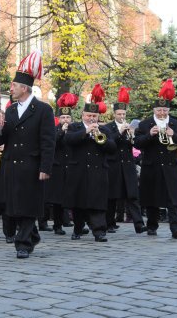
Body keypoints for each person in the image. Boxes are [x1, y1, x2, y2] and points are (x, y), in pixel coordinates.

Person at [0, 50, 55, 258]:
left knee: (28, 206)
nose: (11, 88)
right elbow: (0, 141)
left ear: (25, 88)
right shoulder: (9, 111)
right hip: (12, 166)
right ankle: (31, 235)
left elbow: (48, 142)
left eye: (14, 85)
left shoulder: (43, 110)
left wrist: (45, 168)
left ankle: (23, 244)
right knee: (15, 207)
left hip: (31, 165)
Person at [133, 79, 177, 239]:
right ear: (154, 110)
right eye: (159, 110)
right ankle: (152, 225)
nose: (162, 113)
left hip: (171, 166)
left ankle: (176, 228)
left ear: (168, 110)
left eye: (165, 110)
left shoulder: (175, 124)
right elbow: (137, 143)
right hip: (151, 166)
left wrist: (174, 135)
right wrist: (149, 135)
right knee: (152, 197)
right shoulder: (144, 124)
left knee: (173, 198)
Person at [64, 90, 116, 243]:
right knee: (78, 202)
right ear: (83, 115)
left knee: (97, 202)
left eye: (94, 116)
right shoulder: (74, 127)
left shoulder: (104, 130)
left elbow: (112, 148)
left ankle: (99, 231)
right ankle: (78, 228)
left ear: (98, 117)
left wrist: (101, 138)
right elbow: (68, 140)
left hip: (98, 171)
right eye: (89, 116)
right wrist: (86, 132)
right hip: (78, 170)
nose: (92, 118)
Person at [105, 87, 147, 234]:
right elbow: (109, 144)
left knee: (132, 195)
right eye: (119, 114)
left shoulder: (130, 127)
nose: (122, 116)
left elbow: (134, 145)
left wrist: (132, 134)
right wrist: (120, 131)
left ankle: (139, 224)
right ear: (114, 114)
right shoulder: (108, 128)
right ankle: (109, 223)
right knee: (111, 196)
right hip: (113, 165)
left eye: (123, 114)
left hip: (128, 165)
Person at [44, 93, 78, 235]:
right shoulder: (54, 129)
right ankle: (57, 225)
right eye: (63, 117)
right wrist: (61, 133)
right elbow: (51, 144)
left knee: (74, 197)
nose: (65, 120)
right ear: (59, 118)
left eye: (68, 117)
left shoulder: (76, 129)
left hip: (72, 167)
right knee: (57, 199)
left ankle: (77, 224)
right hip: (58, 168)